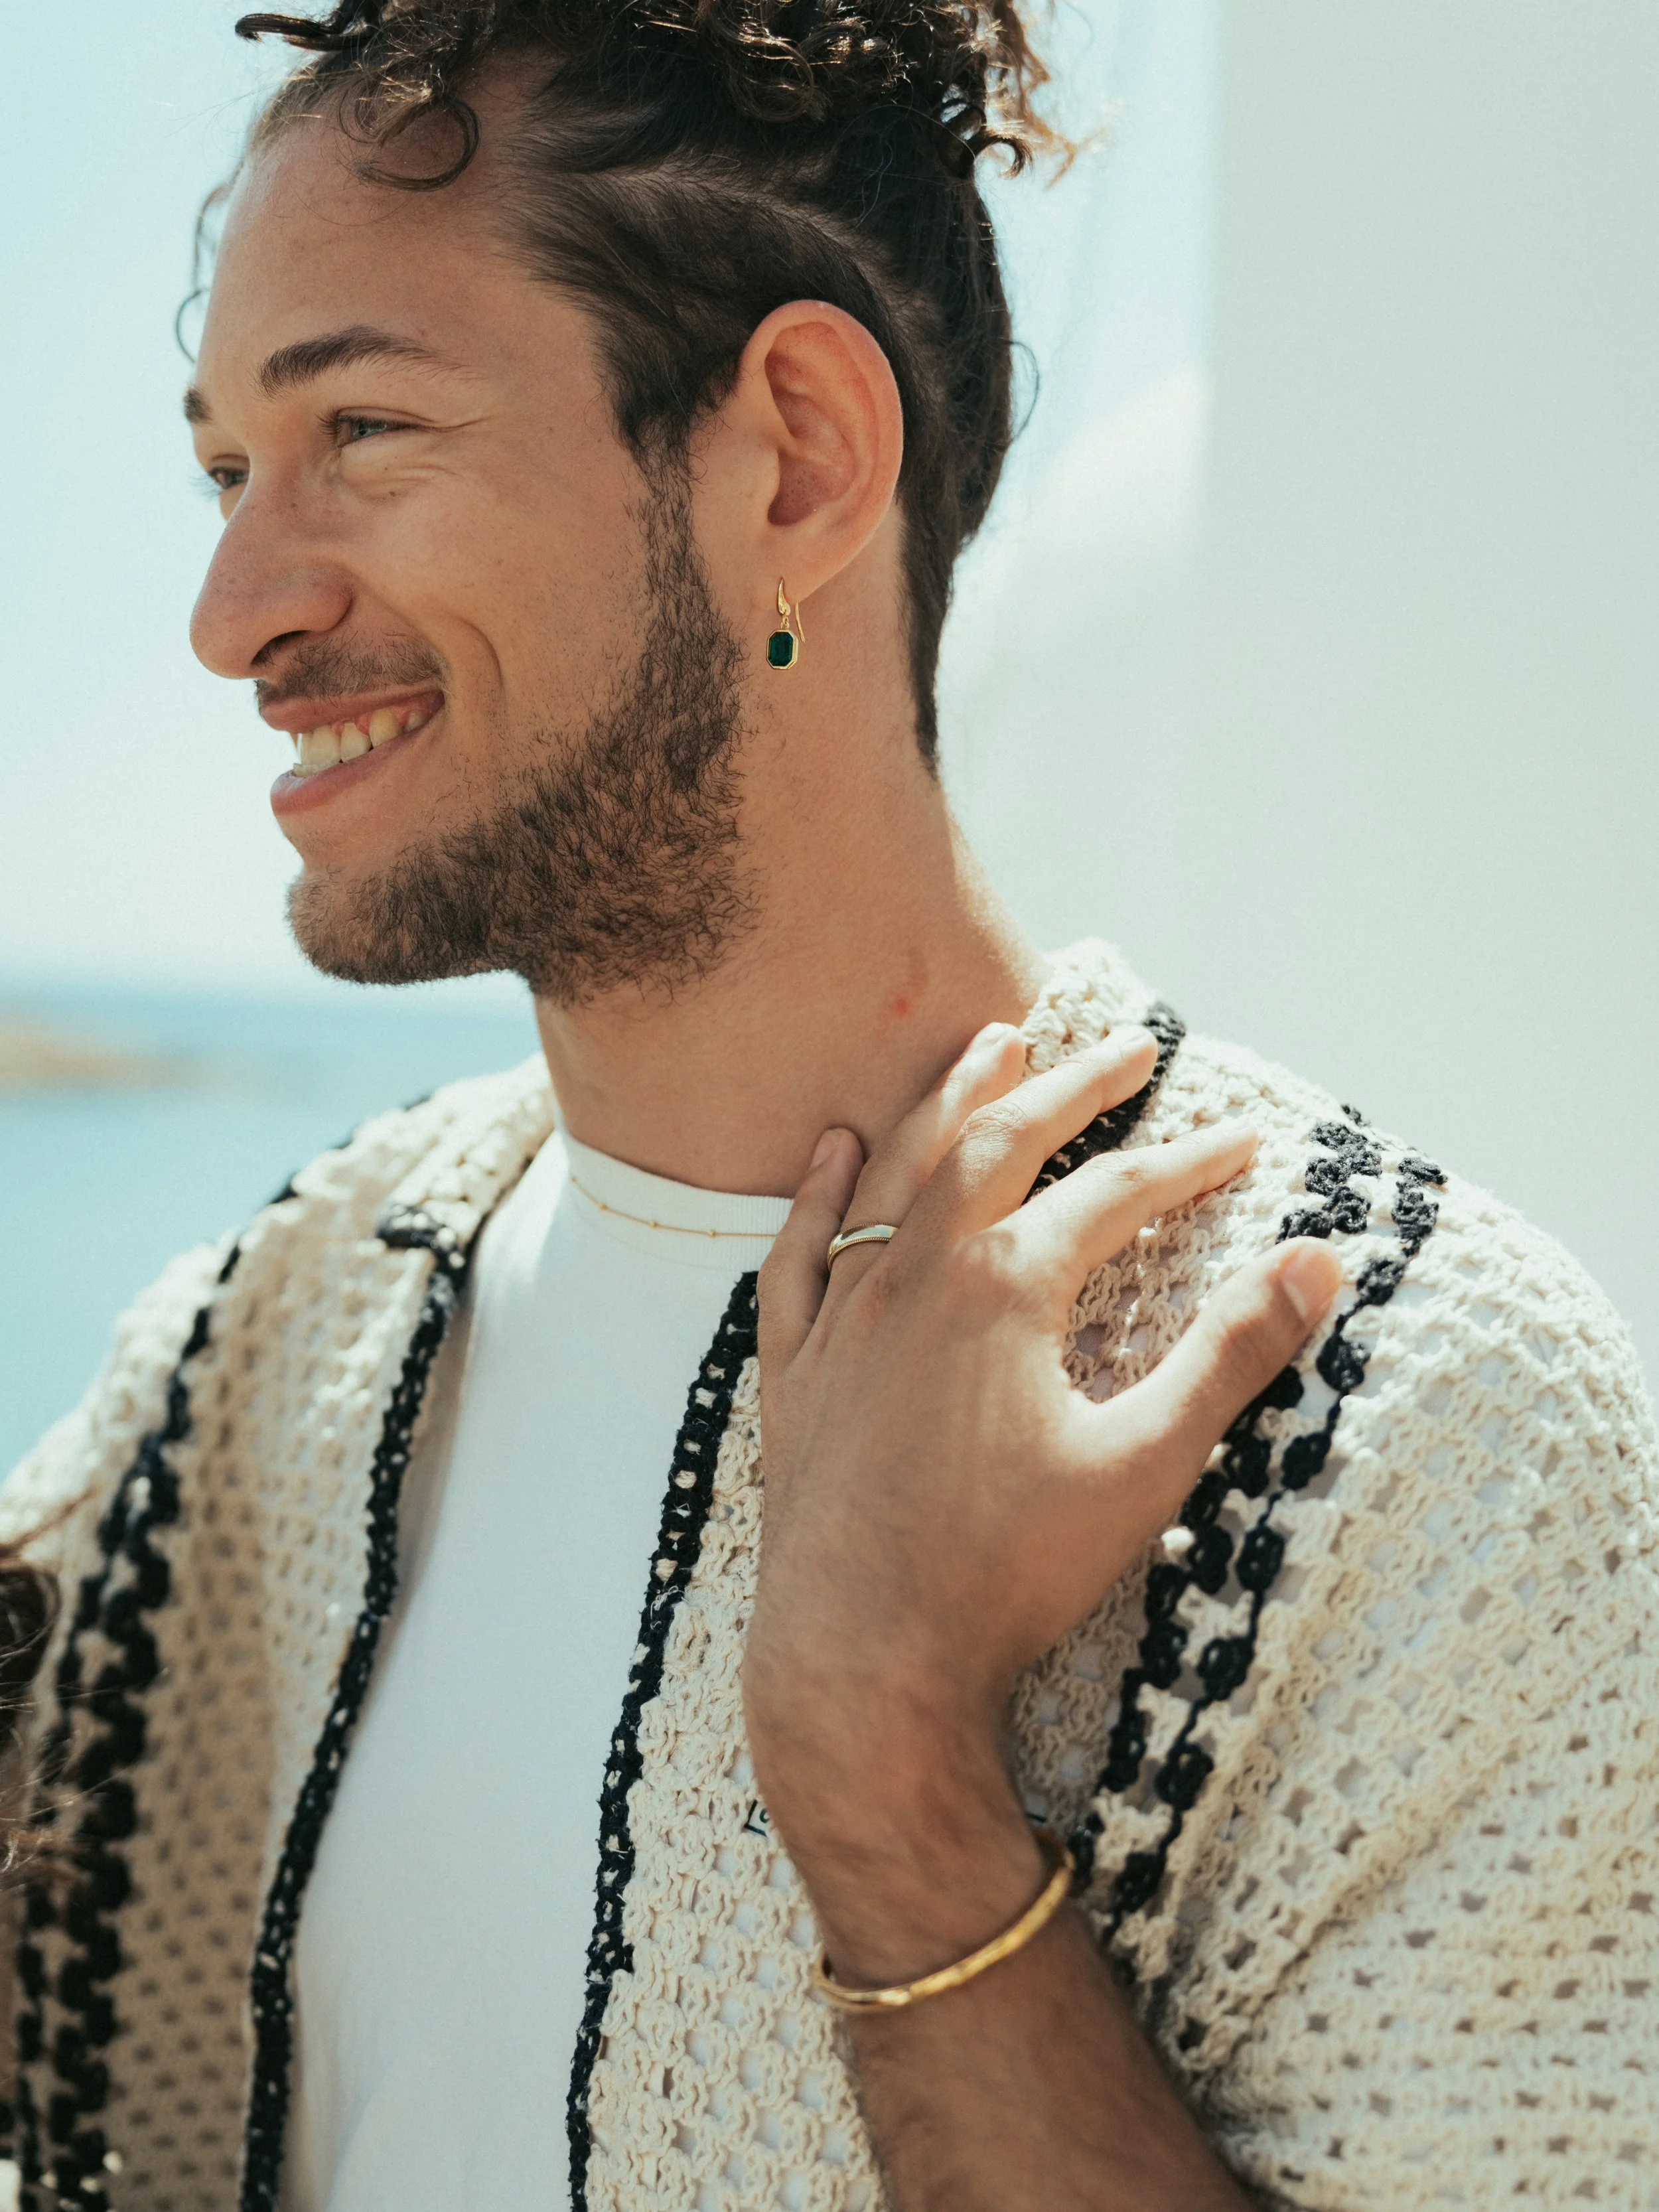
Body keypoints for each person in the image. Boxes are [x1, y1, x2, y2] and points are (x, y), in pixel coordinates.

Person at [3, 1, 1655, 2207]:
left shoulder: (1419, 1434)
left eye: (363, 431)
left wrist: (890, 1773)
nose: (234, 611)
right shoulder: (235, 1369)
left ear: (789, 453)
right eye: (226, 469)